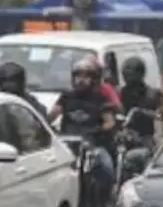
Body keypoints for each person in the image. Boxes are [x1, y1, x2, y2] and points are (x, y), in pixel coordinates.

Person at [50, 56, 118, 197]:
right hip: (67, 146)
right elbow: (52, 115)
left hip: (93, 146)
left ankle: (105, 200)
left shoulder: (101, 99)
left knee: (106, 167)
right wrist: (44, 127)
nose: (81, 80)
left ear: (95, 79)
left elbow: (109, 121)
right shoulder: (67, 97)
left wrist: (99, 131)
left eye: (86, 76)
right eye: (78, 76)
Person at [118, 56, 162, 140]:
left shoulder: (152, 94)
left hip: (146, 138)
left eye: (132, 76)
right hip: (126, 137)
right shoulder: (122, 93)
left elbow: (160, 117)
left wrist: (141, 112)